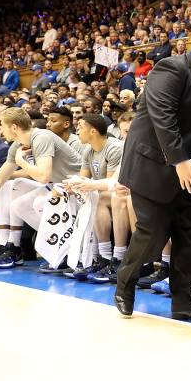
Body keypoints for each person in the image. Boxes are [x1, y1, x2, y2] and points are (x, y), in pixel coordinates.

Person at [114, 22, 191, 321]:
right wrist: (180, 162)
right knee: (152, 236)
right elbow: (163, 117)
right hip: (155, 167)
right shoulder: (170, 69)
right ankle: (125, 284)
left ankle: (184, 302)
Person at [0, 108, 82, 268]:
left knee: (39, 202)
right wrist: (18, 160)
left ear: (14, 127)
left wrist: (21, 161)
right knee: (15, 197)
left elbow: (43, 176)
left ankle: (70, 249)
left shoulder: (42, 137)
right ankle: (11, 246)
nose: (1, 131)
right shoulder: (17, 145)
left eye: (2, 126)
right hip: (58, 186)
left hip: (80, 187)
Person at [66, 114, 125, 282]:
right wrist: (72, 184)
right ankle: (81, 256)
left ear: (93, 131)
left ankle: (107, 256)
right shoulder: (88, 149)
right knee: (72, 198)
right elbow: (84, 178)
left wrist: (86, 185)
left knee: (99, 197)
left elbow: (111, 184)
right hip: (101, 193)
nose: (76, 130)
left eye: (80, 127)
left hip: (120, 193)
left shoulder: (114, 147)